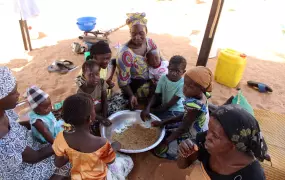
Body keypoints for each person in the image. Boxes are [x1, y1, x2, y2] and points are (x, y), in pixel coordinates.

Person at [0, 66, 70, 179]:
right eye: (13, 93)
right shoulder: (4, 143)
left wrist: (36, 124)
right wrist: (62, 142)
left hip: (29, 146)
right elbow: (34, 157)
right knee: (67, 158)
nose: (18, 94)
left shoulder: (5, 111)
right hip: (22, 170)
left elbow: (17, 125)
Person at [177, 104, 271, 180]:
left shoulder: (252, 176)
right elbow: (182, 165)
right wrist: (184, 154)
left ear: (234, 144)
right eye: (209, 129)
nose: (208, 136)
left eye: (215, 136)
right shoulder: (207, 142)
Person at [53, 93, 133, 180]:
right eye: (94, 109)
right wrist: (114, 146)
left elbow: (58, 163)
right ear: (90, 118)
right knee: (128, 161)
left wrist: (73, 155)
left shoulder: (61, 137)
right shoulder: (100, 142)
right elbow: (110, 161)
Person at [152, 66, 213, 159]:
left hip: (194, 134)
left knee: (162, 151)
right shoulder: (198, 96)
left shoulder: (195, 107)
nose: (184, 88)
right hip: (189, 124)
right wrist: (163, 122)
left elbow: (183, 128)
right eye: (185, 84)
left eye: (190, 87)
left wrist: (166, 142)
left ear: (202, 89)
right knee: (166, 129)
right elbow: (184, 116)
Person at [116, 12, 159, 109]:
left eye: (141, 33)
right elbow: (123, 82)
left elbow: (159, 60)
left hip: (151, 77)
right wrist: (131, 95)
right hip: (134, 84)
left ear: (146, 31)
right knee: (156, 96)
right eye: (133, 33)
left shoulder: (149, 42)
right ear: (130, 33)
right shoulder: (125, 54)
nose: (137, 37)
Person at [141, 55, 186, 121]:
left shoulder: (182, 83)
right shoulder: (163, 78)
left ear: (183, 72)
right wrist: (147, 108)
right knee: (152, 118)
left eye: (177, 71)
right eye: (171, 70)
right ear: (168, 68)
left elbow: (169, 105)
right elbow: (156, 95)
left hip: (177, 110)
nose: (173, 73)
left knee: (159, 121)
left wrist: (152, 111)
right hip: (165, 107)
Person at [77, 60, 111, 135]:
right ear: (83, 75)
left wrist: (104, 116)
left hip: (102, 110)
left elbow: (104, 99)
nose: (95, 78)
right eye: (90, 75)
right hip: (90, 115)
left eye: (97, 74)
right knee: (91, 130)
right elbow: (86, 111)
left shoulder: (101, 82)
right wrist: (101, 119)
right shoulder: (81, 92)